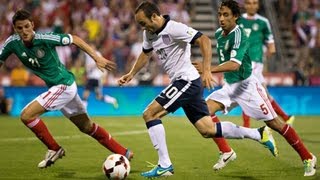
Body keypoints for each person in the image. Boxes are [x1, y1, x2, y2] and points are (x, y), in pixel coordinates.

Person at [118, 1, 278, 178]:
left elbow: (204, 40)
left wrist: (207, 69)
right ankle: (258, 134)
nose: (142, 27)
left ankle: (165, 165)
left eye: (143, 22)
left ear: (154, 16)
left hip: (186, 80)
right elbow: (145, 53)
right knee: (207, 129)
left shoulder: (175, 28)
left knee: (149, 114)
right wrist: (132, 73)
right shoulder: (149, 33)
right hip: (185, 83)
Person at [193, 0, 316, 176]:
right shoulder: (219, 33)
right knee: (203, 112)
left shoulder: (239, 34)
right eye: (220, 14)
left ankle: (307, 157)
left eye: (226, 15)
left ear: (235, 17)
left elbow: (235, 65)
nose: (221, 18)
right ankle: (227, 151)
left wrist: (207, 69)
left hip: (247, 87)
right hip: (230, 86)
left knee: (276, 124)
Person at [0, 9, 133, 169]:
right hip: (61, 88)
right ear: (14, 29)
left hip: (63, 85)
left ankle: (54, 149)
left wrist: (97, 57)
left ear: (33, 25)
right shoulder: (11, 43)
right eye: (19, 28)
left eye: (27, 26)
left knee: (27, 115)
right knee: (86, 127)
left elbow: (74, 39)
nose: (24, 31)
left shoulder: (44, 38)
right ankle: (124, 152)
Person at [238, 0, 295, 128]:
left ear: (258, 5)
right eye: (248, 3)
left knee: (245, 91)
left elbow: (271, 45)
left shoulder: (263, 22)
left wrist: (264, 54)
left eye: (254, 3)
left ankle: (246, 126)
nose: (251, 6)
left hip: (255, 63)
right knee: (263, 93)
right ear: (244, 5)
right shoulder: (239, 21)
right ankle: (286, 117)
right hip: (242, 62)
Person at [82, 42, 118, 109]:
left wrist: (91, 66)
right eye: (89, 46)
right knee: (98, 97)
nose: (90, 48)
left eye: (92, 46)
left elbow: (99, 63)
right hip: (92, 77)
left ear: (95, 47)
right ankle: (112, 100)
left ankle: (83, 111)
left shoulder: (97, 54)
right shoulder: (87, 54)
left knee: (86, 94)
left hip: (95, 77)